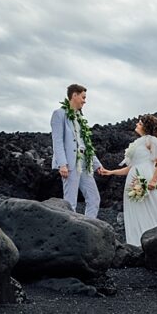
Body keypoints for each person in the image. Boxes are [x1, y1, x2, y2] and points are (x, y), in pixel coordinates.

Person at [100, 114, 157, 246]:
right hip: (134, 179)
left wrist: (153, 180)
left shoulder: (151, 140)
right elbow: (130, 168)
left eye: (139, 123)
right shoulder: (137, 142)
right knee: (138, 209)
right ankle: (139, 243)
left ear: (146, 127)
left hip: (147, 177)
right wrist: (110, 172)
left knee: (154, 207)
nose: (136, 125)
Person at [50, 83, 107, 217]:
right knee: (70, 202)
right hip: (69, 163)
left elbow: (86, 144)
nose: (84, 101)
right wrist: (62, 164)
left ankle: (89, 226)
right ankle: (70, 230)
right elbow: (57, 141)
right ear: (74, 95)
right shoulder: (59, 114)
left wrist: (97, 164)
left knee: (94, 198)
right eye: (83, 97)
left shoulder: (80, 118)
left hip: (84, 163)